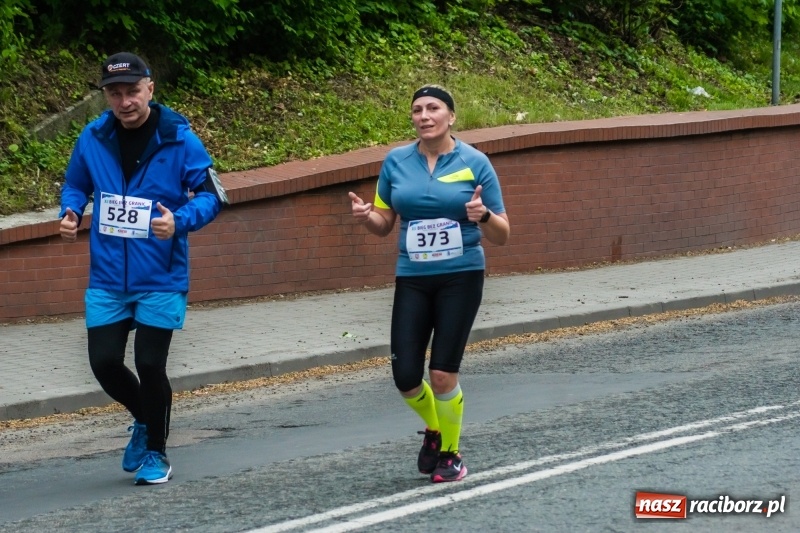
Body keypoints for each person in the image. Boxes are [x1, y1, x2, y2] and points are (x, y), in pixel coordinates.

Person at [59, 52, 227, 485]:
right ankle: (145, 418)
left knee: (150, 364)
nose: (125, 101)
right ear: (106, 97)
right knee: (104, 362)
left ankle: (156, 452)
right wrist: (72, 211)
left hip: (161, 275)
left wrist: (179, 220)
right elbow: (77, 183)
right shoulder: (93, 137)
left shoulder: (179, 139)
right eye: (115, 93)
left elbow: (213, 196)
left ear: (150, 88)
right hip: (109, 277)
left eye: (132, 91)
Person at [348, 84, 510, 482]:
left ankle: (451, 455)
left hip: (461, 275)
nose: (424, 115)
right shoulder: (396, 162)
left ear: (451, 116)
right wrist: (367, 216)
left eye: (433, 108)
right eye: (417, 109)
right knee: (405, 377)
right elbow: (385, 224)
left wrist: (483, 215)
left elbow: (503, 233)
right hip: (413, 278)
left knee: (441, 374)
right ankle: (435, 429)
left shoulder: (475, 162)